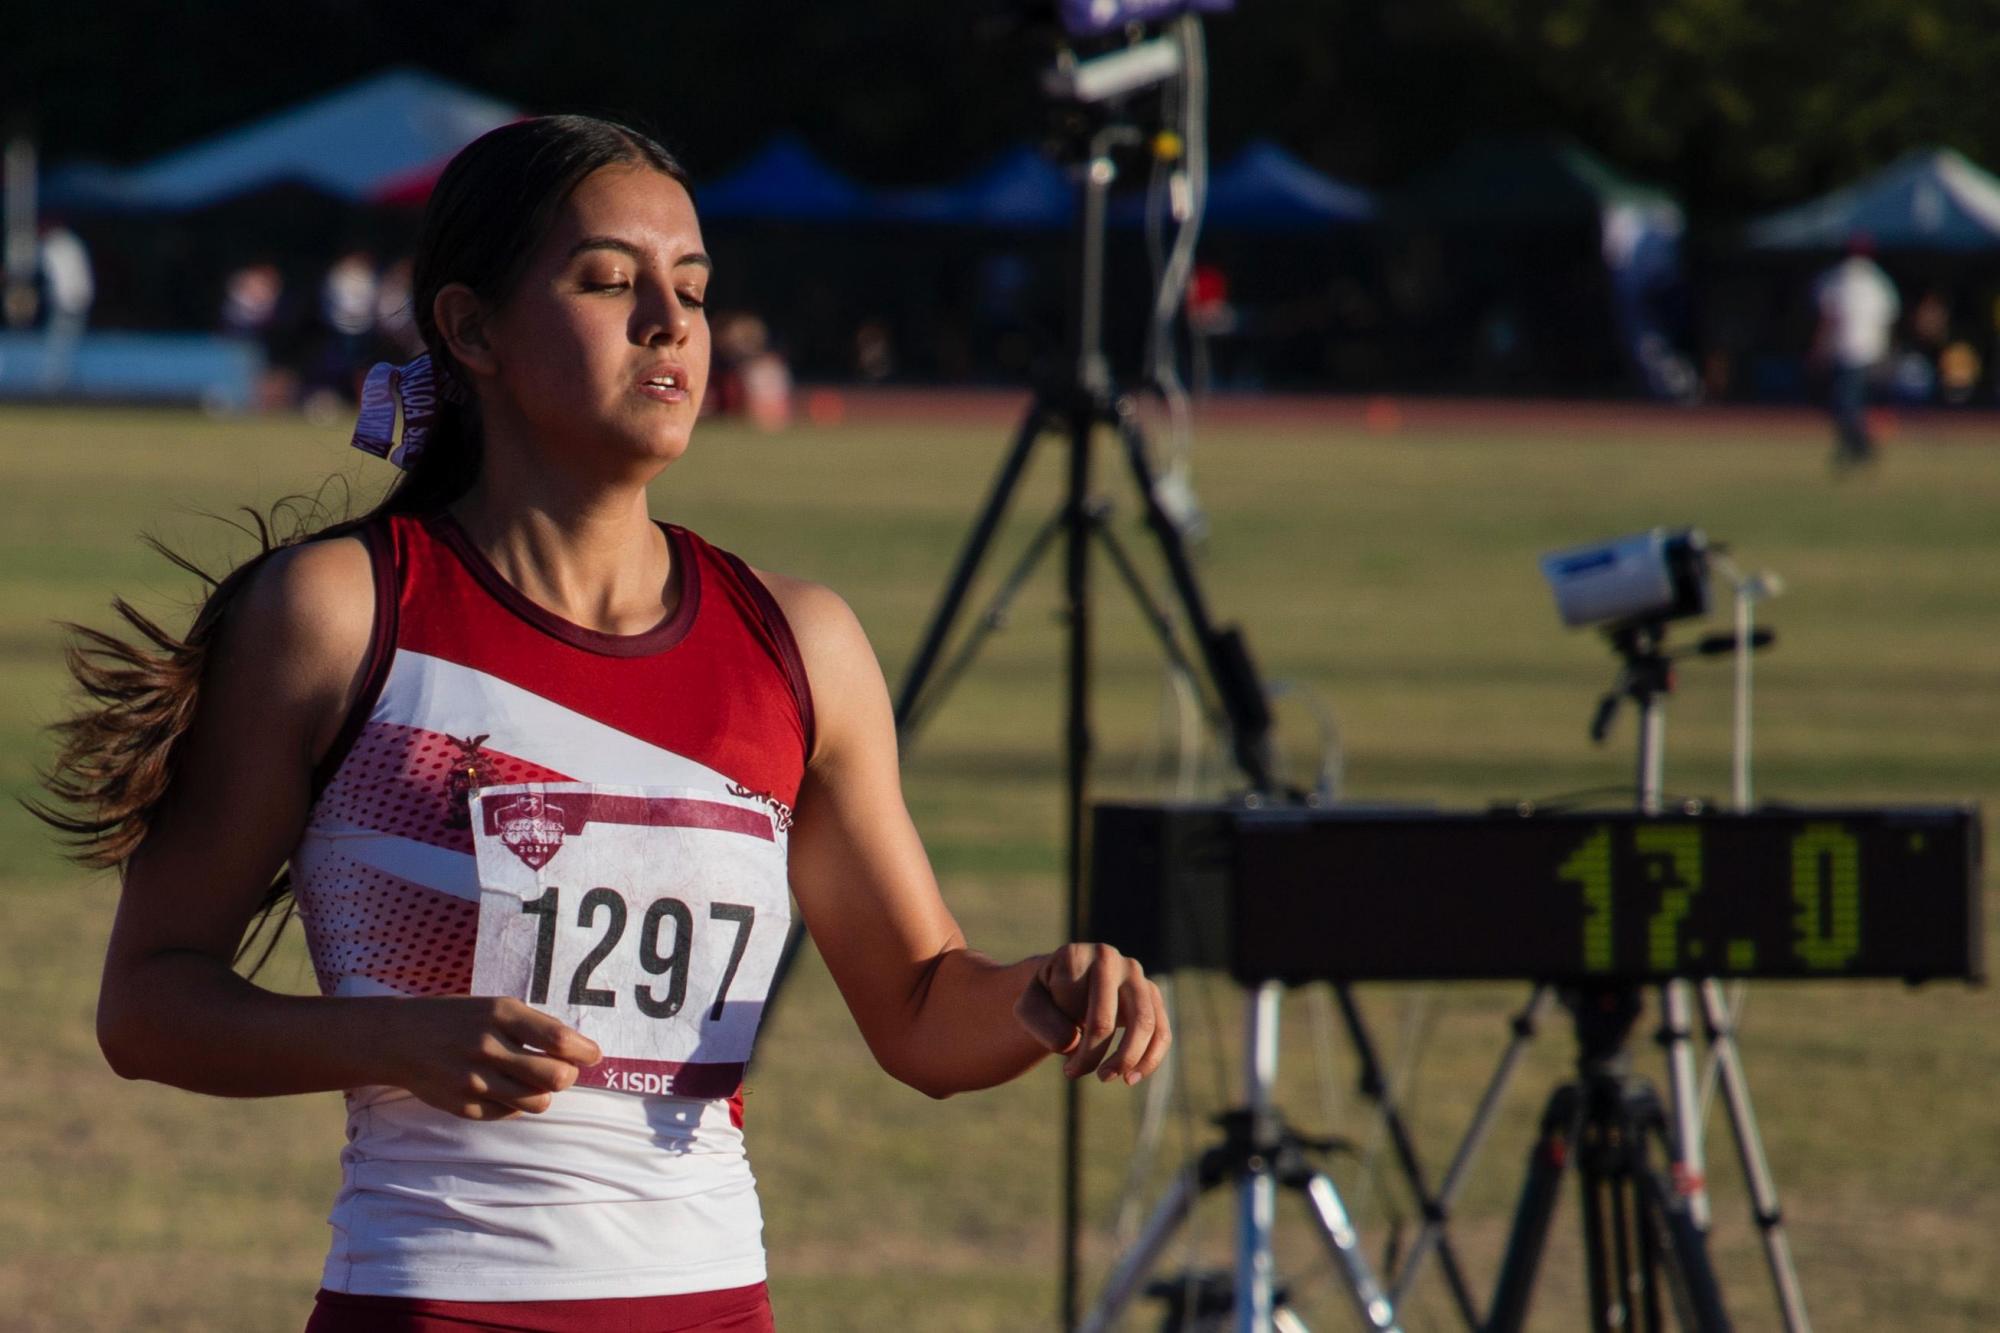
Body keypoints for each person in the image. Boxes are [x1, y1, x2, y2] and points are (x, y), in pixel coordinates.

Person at [36, 115, 1169, 1332]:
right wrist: (391, 1040)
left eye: (688, 287)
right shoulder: (339, 613)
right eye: (607, 280)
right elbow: (148, 1004)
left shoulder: (803, 645)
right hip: (433, 1305)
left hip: (715, 1307)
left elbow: (915, 1010)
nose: (669, 322)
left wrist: (1041, 994)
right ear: (470, 329)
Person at [1811, 234, 1900, 469]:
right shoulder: (1878, 281)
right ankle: (1856, 447)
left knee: (1846, 403)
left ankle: (1858, 447)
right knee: (1852, 402)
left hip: (1848, 351)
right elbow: (1887, 320)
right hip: (1869, 351)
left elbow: (1827, 318)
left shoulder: (1836, 278)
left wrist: (1819, 348)